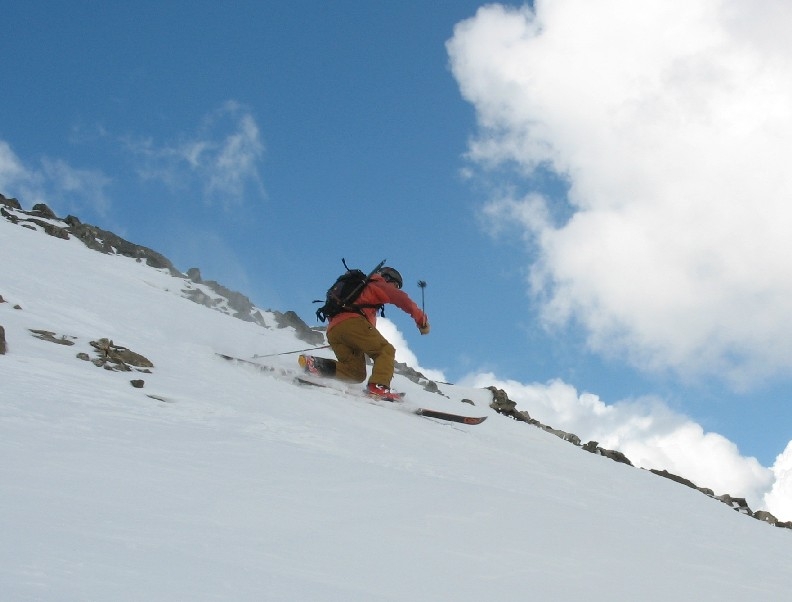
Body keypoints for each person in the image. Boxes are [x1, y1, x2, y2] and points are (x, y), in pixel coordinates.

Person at [302, 266, 430, 401]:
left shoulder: (361, 291)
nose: (396, 288)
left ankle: (316, 365)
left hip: (335, 330)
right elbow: (402, 299)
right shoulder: (378, 284)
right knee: (385, 350)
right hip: (352, 324)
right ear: (387, 278)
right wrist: (422, 321)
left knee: (355, 373)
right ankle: (378, 387)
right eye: (396, 284)